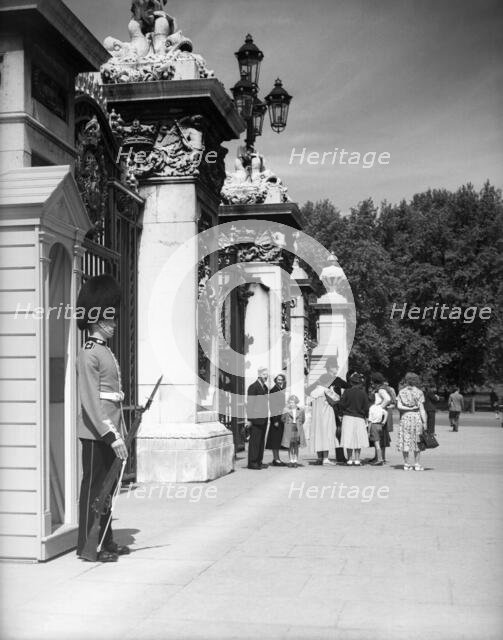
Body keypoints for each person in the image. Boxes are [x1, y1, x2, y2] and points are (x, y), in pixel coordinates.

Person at [76, 275, 130, 563]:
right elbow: (91, 400)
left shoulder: (104, 350)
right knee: (94, 488)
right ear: (97, 317)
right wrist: (111, 435)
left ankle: (106, 539)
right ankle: (89, 545)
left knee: (107, 489)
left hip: (109, 429)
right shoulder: (88, 354)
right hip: (95, 433)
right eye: (110, 317)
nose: (115, 323)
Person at [306, 356, 347, 465]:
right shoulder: (331, 380)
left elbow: (308, 390)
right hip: (332, 409)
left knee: (322, 433)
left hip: (323, 411)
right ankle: (338, 457)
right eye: (335, 367)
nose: (337, 368)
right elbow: (347, 388)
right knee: (333, 433)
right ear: (330, 367)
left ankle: (323, 457)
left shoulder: (321, 381)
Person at [396, 372, 426, 471]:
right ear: (416, 381)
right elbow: (421, 409)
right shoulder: (419, 392)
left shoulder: (401, 392)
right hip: (416, 418)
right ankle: (417, 464)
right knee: (417, 441)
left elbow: (399, 406)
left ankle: (406, 464)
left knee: (406, 440)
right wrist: (424, 422)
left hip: (405, 418)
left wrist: (408, 408)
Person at [339, 372, 370, 466]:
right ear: (360, 383)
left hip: (347, 417)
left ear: (351, 382)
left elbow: (342, 404)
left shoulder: (347, 392)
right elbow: (366, 407)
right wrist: (366, 417)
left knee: (349, 439)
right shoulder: (363, 393)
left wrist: (340, 414)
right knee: (358, 439)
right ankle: (357, 459)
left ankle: (349, 459)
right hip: (359, 418)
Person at [246, 367, 270, 469]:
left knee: (261, 442)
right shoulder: (253, 387)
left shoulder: (265, 388)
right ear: (259, 375)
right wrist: (249, 420)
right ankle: (252, 463)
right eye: (264, 375)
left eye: (267, 375)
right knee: (255, 441)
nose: (266, 377)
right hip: (255, 419)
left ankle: (259, 461)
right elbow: (250, 404)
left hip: (263, 418)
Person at [367, 372, 392, 464]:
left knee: (379, 437)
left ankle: (381, 458)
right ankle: (378, 456)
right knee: (380, 436)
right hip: (380, 415)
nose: (371, 382)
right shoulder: (379, 388)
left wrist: (379, 407)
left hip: (379, 415)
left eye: (372, 380)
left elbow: (388, 399)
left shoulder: (381, 390)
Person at [265, 373, 287, 466]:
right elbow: (272, 406)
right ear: (275, 380)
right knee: (275, 439)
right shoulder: (274, 390)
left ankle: (277, 458)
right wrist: (275, 420)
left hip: (280, 416)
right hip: (276, 417)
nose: (280, 381)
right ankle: (276, 459)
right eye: (278, 379)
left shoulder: (281, 390)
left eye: (281, 379)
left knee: (278, 439)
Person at [281, 395, 306, 467]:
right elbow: (282, 419)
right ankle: (291, 460)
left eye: (293, 402)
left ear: (296, 403)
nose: (291, 404)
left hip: (297, 428)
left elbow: (303, 420)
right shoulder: (286, 409)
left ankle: (295, 461)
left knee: (296, 445)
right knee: (290, 445)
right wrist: (287, 424)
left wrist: (299, 424)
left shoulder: (301, 410)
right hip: (289, 428)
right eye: (290, 402)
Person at [367, 393, 388, 466]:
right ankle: (381, 458)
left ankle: (379, 459)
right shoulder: (379, 407)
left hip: (374, 425)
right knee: (379, 442)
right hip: (380, 425)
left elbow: (370, 421)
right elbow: (386, 413)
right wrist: (384, 421)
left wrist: (368, 432)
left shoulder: (371, 408)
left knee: (377, 443)